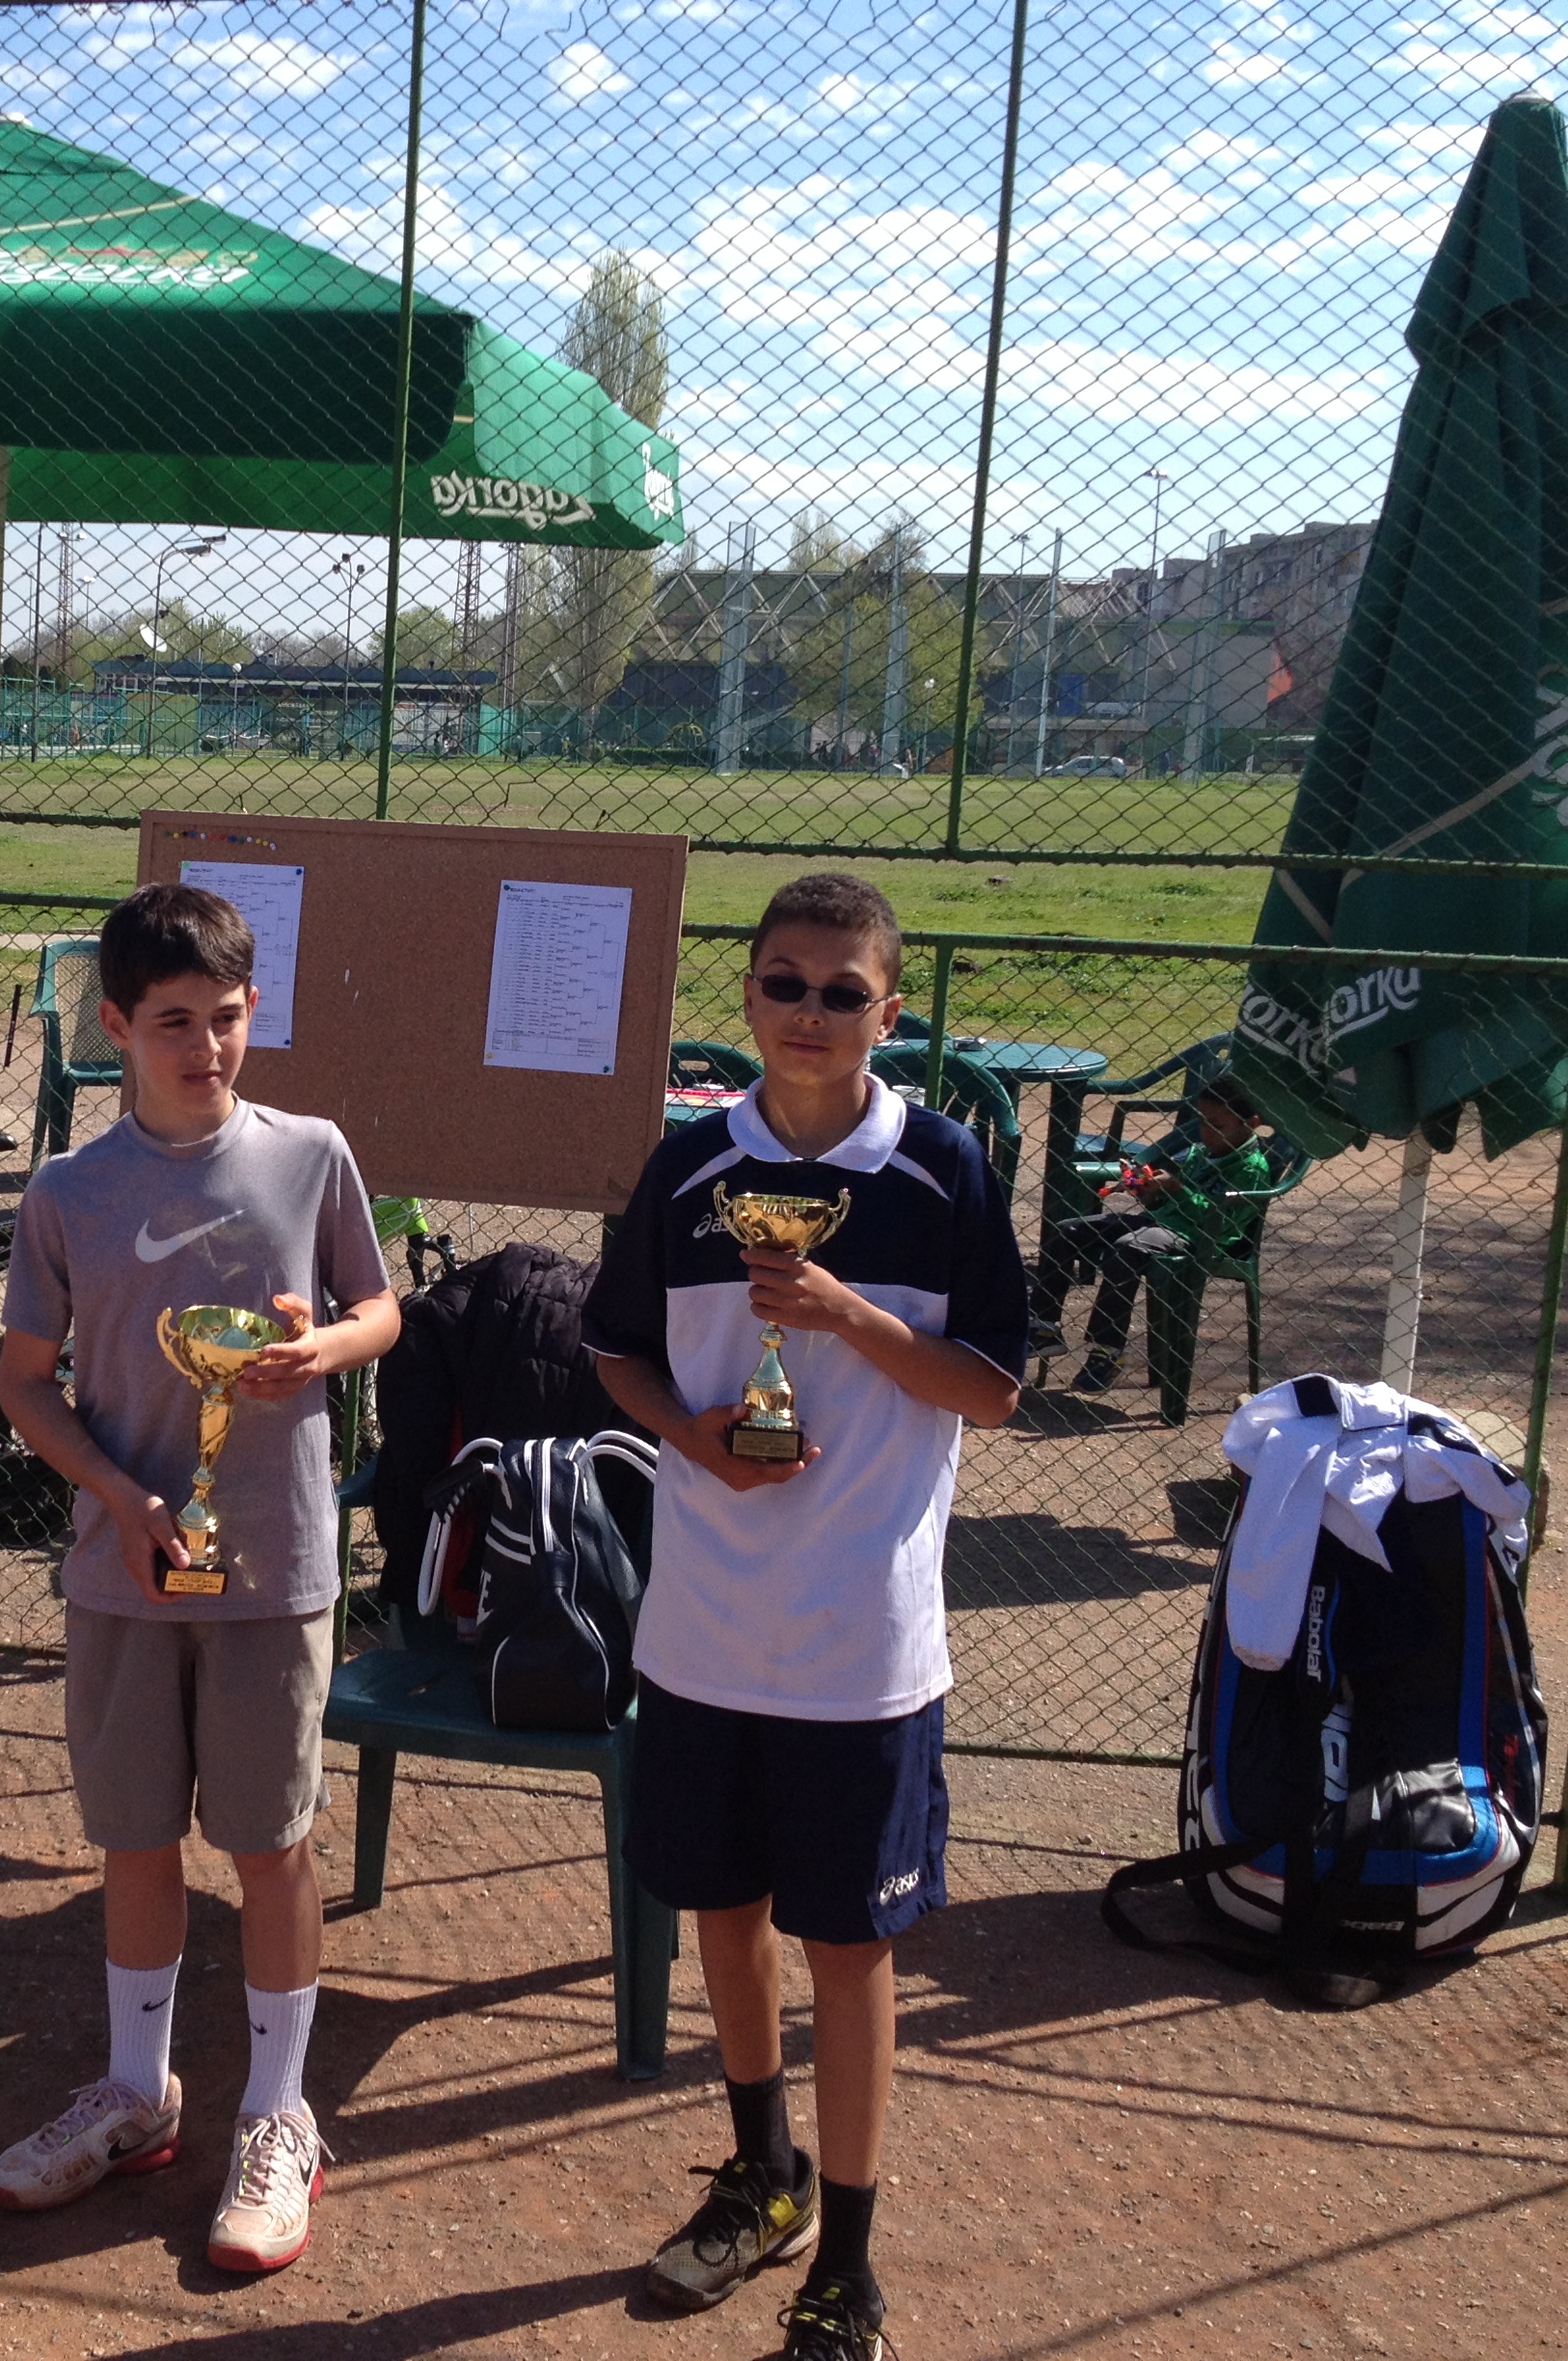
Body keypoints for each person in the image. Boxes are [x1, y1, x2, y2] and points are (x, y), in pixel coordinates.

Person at [583, 872, 1024, 2359]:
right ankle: (759, 2172)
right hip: (703, 1631)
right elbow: (619, 1352)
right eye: (786, 983)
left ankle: (849, 2262)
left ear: (888, 1013)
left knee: (848, 1947)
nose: (811, 1013)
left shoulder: (943, 1170)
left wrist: (852, 1319)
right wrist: (693, 1438)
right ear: (750, 993)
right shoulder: (691, 1166)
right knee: (722, 1913)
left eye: (844, 993)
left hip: (862, 1646)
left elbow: (993, 1390)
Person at [0, 883, 398, 2273]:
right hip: (126, 1574)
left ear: (251, 1011)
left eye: (225, 1018)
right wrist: (119, 1498)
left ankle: (278, 2113)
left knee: (270, 1843)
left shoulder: (310, 1155)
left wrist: (320, 1349)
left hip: (273, 1567)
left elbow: (379, 1309)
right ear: (115, 1027)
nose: (205, 1048)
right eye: (172, 1023)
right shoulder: (68, 1192)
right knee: (136, 1837)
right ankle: (136, 2091)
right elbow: (24, 1383)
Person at [1027, 1072, 1269, 1392]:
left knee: (1128, 1248)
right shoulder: (1200, 1152)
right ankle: (1044, 1327)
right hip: (1161, 1225)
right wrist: (1147, 1189)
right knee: (1067, 1230)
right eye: (1202, 1122)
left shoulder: (1251, 1168)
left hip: (1202, 1239)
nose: (1206, 1132)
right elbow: (1163, 1205)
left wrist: (1177, 1189)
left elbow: (1219, 1222)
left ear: (1250, 1124)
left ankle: (1107, 1353)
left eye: (1217, 1125)